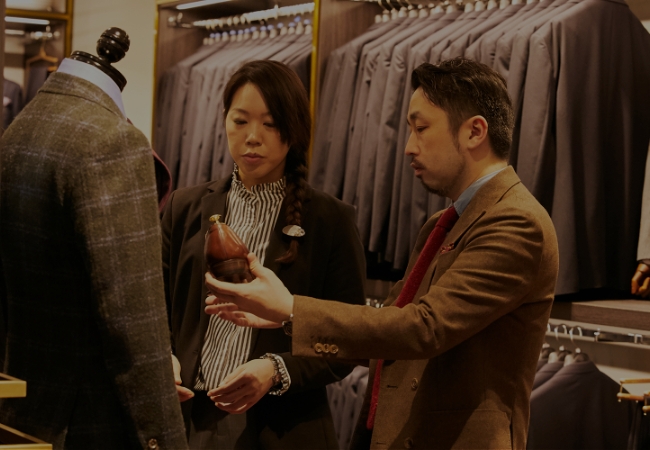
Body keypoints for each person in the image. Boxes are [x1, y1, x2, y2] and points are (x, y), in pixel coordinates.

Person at [205, 58, 560, 450]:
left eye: (421, 128)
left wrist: (292, 309)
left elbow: (423, 328)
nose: (408, 147)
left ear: (475, 131)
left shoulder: (515, 221)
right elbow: (387, 326)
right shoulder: (445, 222)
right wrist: (286, 319)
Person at [161, 60, 366, 448]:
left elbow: (349, 339)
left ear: (294, 130)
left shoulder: (330, 220)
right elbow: (155, 308)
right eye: (240, 121)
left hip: (282, 427)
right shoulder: (183, 207)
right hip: (188, 420)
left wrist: (277, 369)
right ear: (225, 120)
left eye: (270, 124)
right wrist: (164, 357)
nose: (252, 137)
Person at [0, 58, 187, 448]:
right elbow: (134, 317)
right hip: (92, 421)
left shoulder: (22, 127)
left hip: (25, 409)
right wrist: (165, 440)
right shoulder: (112, 142)